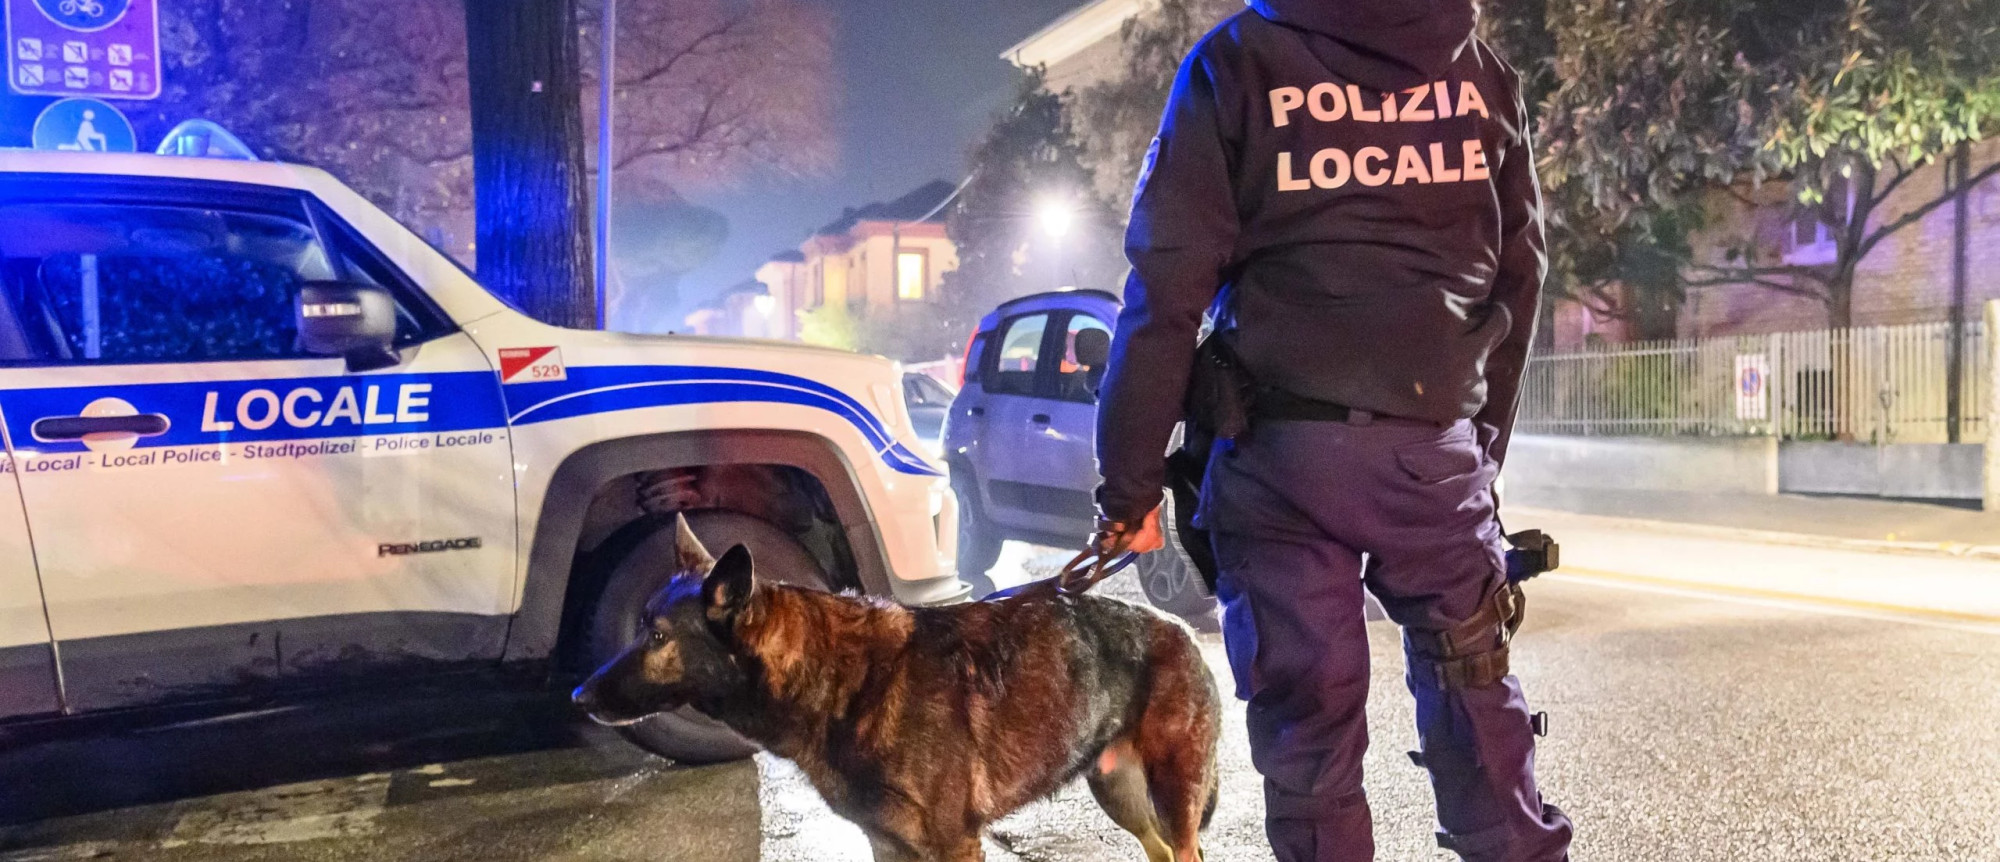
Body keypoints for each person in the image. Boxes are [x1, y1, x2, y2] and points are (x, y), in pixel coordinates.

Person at [1090, 1, 1573, 860]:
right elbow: (1519, 275)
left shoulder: (1235, 63)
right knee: (1471, 682)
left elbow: (1165, 292)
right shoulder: (1481, 75)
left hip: (1278, 456)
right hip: (1431, 448)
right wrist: (1478, 448)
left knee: (1309, 724)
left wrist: (1129, 487)